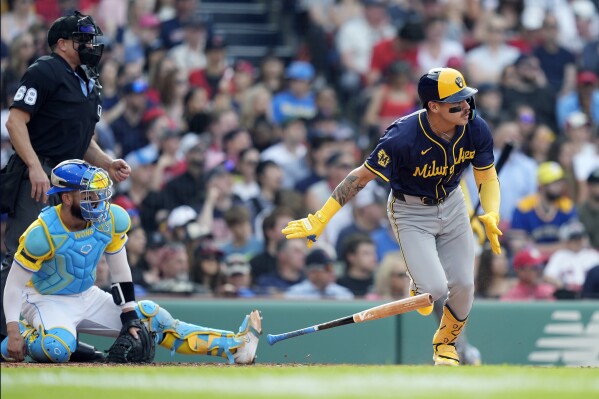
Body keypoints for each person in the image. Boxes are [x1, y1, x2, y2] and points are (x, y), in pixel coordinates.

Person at [282, 67, 502, 366]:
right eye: (456, 101)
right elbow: (359, 178)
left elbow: (486, 177)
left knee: (464, 284)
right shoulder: (402, 136)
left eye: (466, 98)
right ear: (433, 106)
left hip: (452, 204)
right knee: (435, 289)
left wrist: (491, 211)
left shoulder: (476, 127)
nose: (465, 106)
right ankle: (420, 281)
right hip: (410, 210)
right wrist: (320, 218)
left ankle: (446, 345)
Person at [1, 160, 261, 364]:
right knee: (56, 349)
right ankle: (25, 334)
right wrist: (12, 329)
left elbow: (120, 270)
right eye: (89, 195)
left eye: (99, 193)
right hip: (44, 298)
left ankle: (234, 346)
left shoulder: (111, 218)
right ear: (67, 197)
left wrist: (129, 315)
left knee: (151, 318)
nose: (98, 200)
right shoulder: (42, 233)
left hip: (86, 294)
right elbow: (13, 287)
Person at [0, 11, 131, 351]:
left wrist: (106, 162)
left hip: (73, 179)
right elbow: (15, 123)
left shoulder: (85, 77)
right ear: (61, 44)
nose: (91, 45)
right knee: (22, 255)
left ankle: (49, 332)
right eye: (82, 39)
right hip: (41, 175)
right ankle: (8, 335)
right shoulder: (45, 70)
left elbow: (81, 138)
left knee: (61, 258)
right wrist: (34, 166)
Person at [285, 248, 354, 300]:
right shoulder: (294, 295)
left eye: (332, 268)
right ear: (312, 272)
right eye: (327, 269)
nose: (332, 272)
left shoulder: (344, 294)